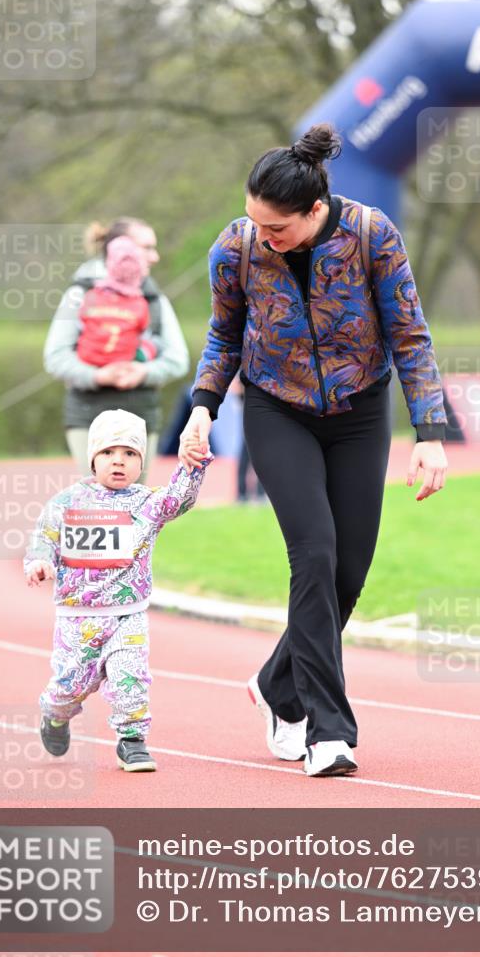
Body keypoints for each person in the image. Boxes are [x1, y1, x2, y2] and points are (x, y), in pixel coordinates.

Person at [179, 124, 448, 778]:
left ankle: (275, 683)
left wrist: (430, 434)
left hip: (360, 411)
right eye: (253, 221)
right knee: (315, 553)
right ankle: (326, 730)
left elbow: (409, 334)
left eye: (275, 228)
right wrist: (202, 407)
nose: (260, 236)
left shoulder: (370, 235)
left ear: (314, 211)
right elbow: (223, 336)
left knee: (347, 574)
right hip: (276, 407)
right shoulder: (235, 249)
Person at [24, 409, 213, 772]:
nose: (118, 462)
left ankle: (132, 741)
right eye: (109, 453)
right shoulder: (67, 502)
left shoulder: (146, 503)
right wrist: (39, 562)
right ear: (93, 457)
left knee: (131, 676)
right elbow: (43, 538)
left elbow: (179, 499)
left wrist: (193, 465)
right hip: (78, 618)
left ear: (140, 461)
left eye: (129, 454)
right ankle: (55, 713)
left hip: (127, 614)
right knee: (69, 685)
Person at [44, 217, 189, 480]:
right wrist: (98, 376)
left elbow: (178, 359)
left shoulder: (154, 299)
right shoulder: (80, 294)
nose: (154, 257)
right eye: (147, 248)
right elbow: (55, 356)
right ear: (119, 249)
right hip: (86, 412)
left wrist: (142, 372)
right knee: (96, 501)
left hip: (141, 412)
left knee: (135, 504)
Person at [76, 235, 158, 366]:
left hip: (88, 362)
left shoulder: (91, 295)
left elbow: (80, 326)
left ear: (109, 264)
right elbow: (145, 334)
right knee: (152, 345)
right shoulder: (140, 303)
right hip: (125, 365)